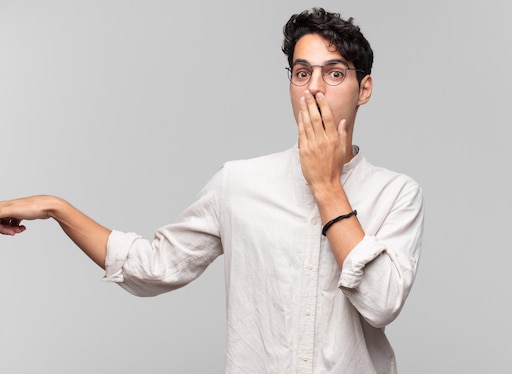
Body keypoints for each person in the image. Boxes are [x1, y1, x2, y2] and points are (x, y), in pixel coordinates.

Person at [0, 7, 424, 374]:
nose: (314, 87)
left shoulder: (397, 194)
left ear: (363, 89)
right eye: (302, 72)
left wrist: (326, 184)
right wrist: (56, 208)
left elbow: (381, 302)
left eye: (334, 73)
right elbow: (154, 267)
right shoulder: (239, 183)